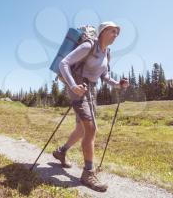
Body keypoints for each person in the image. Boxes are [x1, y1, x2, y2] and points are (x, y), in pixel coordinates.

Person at [53, 21, 129, 192]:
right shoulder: (89, 45)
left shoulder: (107, 53)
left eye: (117, 33)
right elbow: (64, 63)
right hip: (78, 86)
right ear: (102, 32)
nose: (115, 35)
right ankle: (88, 173)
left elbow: (105, 76)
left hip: (91, 90)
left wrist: (118, 84)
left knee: (81, 129)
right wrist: (73, 86)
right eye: (112, 31)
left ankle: (61, 151)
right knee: (91, 128)